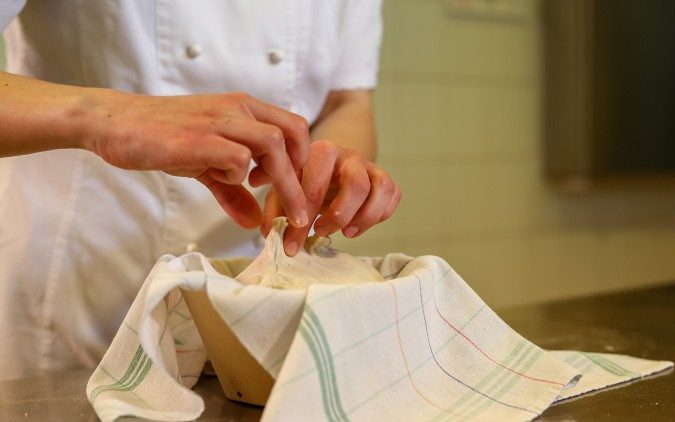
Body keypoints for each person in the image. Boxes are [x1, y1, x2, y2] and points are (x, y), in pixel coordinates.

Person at [0, 1, 400, 381]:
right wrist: (105, 118)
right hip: (84, 282)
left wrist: (322, 167)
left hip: (256, 290)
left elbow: (347, 102)